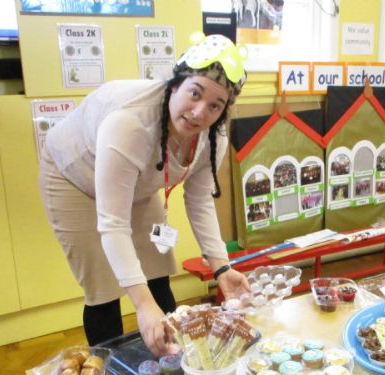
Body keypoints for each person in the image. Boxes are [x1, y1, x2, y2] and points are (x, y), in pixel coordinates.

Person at [39, 34, 250, 356]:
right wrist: (142, 305)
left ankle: (173, 360)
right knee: (104, 287)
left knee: (157, 268)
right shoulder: (130, 122)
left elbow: (199, 201)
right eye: (195, 93)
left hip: (136, 183)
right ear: (175, 84)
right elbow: (113, 224)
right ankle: (111, 371)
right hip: (74, 178)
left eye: (214, 105)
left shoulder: (212, 136)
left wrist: (222, 267)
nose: (199, 112)